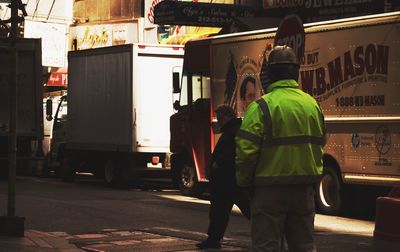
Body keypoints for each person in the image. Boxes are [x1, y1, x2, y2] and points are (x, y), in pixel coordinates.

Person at [235, 45, 325, 252]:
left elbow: (246, 152)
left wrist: (244, 183)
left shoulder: (261, 107)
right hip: (303, 191)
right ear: (295, 71)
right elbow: (320, 145)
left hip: (269, 192)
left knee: (267, 247)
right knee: (303, 246)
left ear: (271, 74)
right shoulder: (312, 105)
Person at [196, 105, 251, 250]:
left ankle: (213, 240)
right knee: (226, 212)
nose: (219, 121)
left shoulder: (233, 131)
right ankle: (213, 239)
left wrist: (219, 163)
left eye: (220, 118)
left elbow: (233, 153)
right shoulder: (233, 130)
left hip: (228, 181)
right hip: (230, 181)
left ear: (227, 116)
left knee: (221, 213)